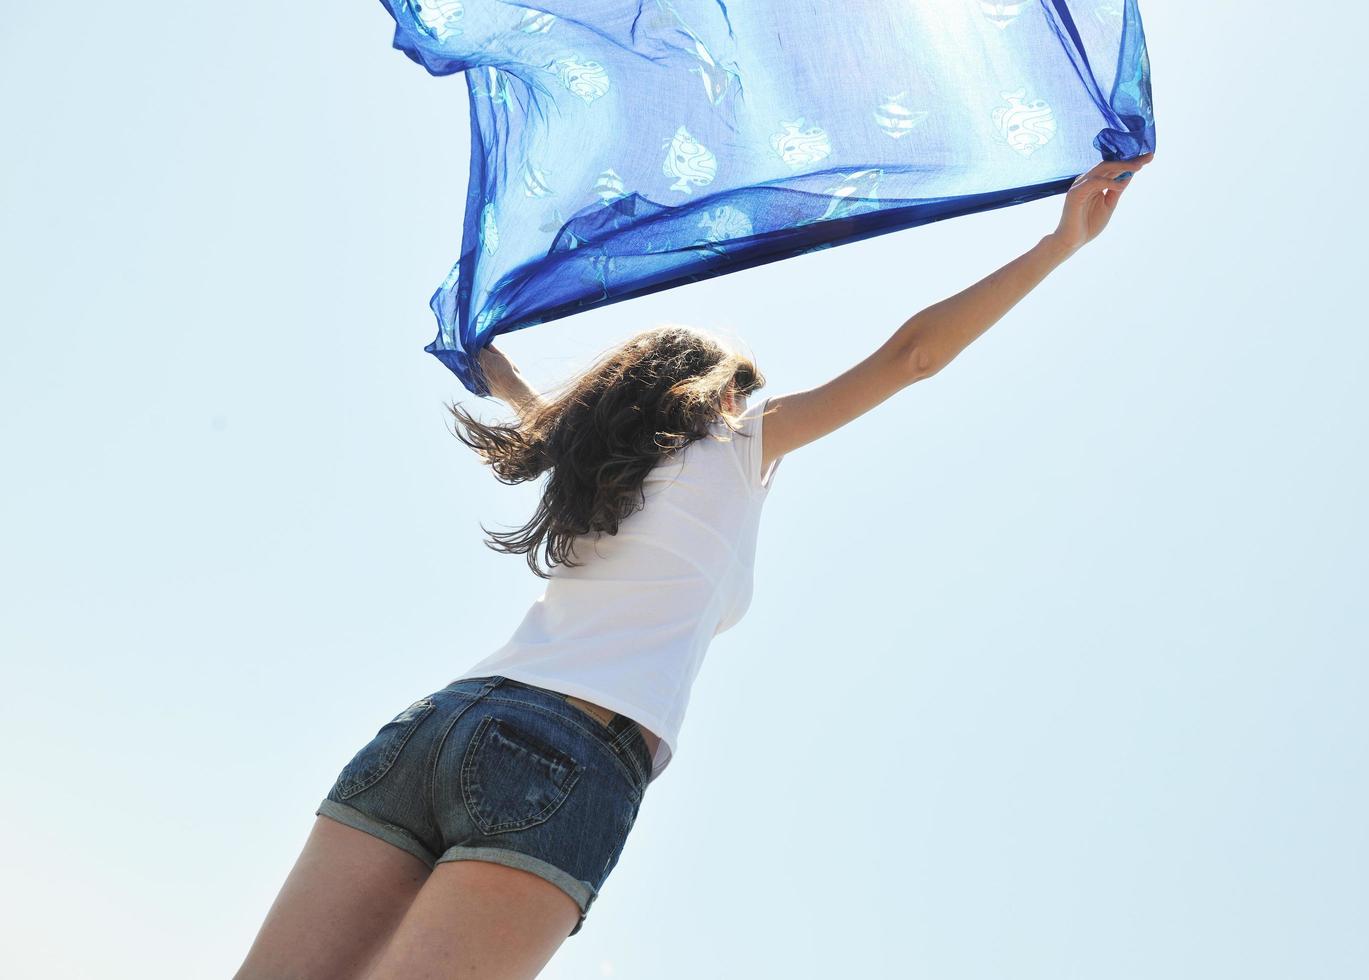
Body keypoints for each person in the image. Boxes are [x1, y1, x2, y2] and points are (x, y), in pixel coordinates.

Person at [234, 151, 1154, 980]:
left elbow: (519, 394)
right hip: (561, 753)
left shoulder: (585, 455)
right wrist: (1057, 243)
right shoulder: (741, 438)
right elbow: (913, 357)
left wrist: (485, 350)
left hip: (433, 728)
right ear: (726, 395)